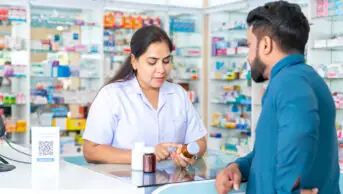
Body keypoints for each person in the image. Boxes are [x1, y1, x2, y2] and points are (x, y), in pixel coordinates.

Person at [215, 1, 340, 194]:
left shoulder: (288, 81)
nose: (248, 57)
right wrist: (238, 167)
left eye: (249, 45)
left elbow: (301, 131)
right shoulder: (307, 78)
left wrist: (288, 189)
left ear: (265, 45)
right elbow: (270, 153)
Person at [82, 26, 207, 167]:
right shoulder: (112, 95)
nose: (161, 70)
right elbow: (91, 151)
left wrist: (188, 154)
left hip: (169, 185)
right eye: (152, 62)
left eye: (166, 61)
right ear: (134, 61)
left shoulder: (178, 94)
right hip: (124, 183)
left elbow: (200, 141)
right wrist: (145, 155)